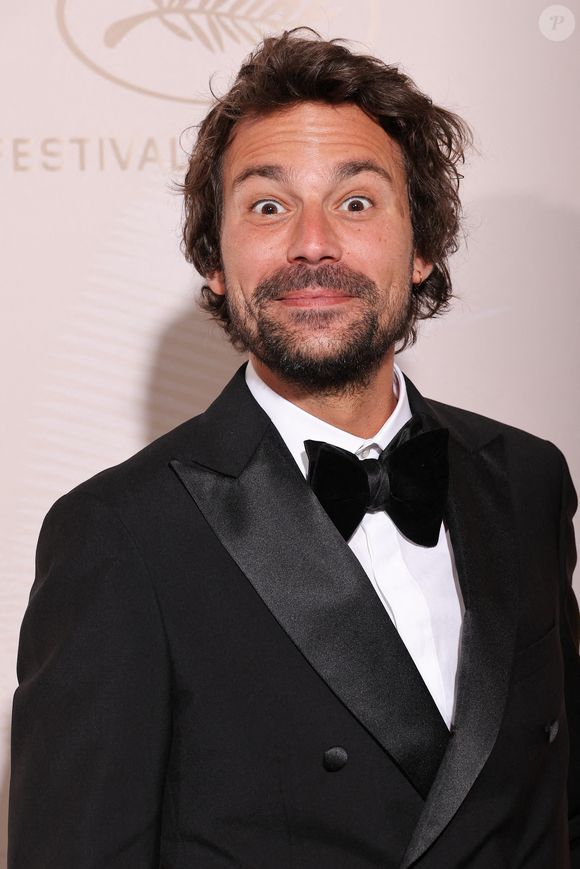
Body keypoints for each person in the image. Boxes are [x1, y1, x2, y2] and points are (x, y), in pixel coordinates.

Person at [8, 28, 579, 869]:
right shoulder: (119, 534)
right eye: (268, 206)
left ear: (421, 247)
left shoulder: (528, 479)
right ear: (214, 259)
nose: (313, 243)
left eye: (356, 202)